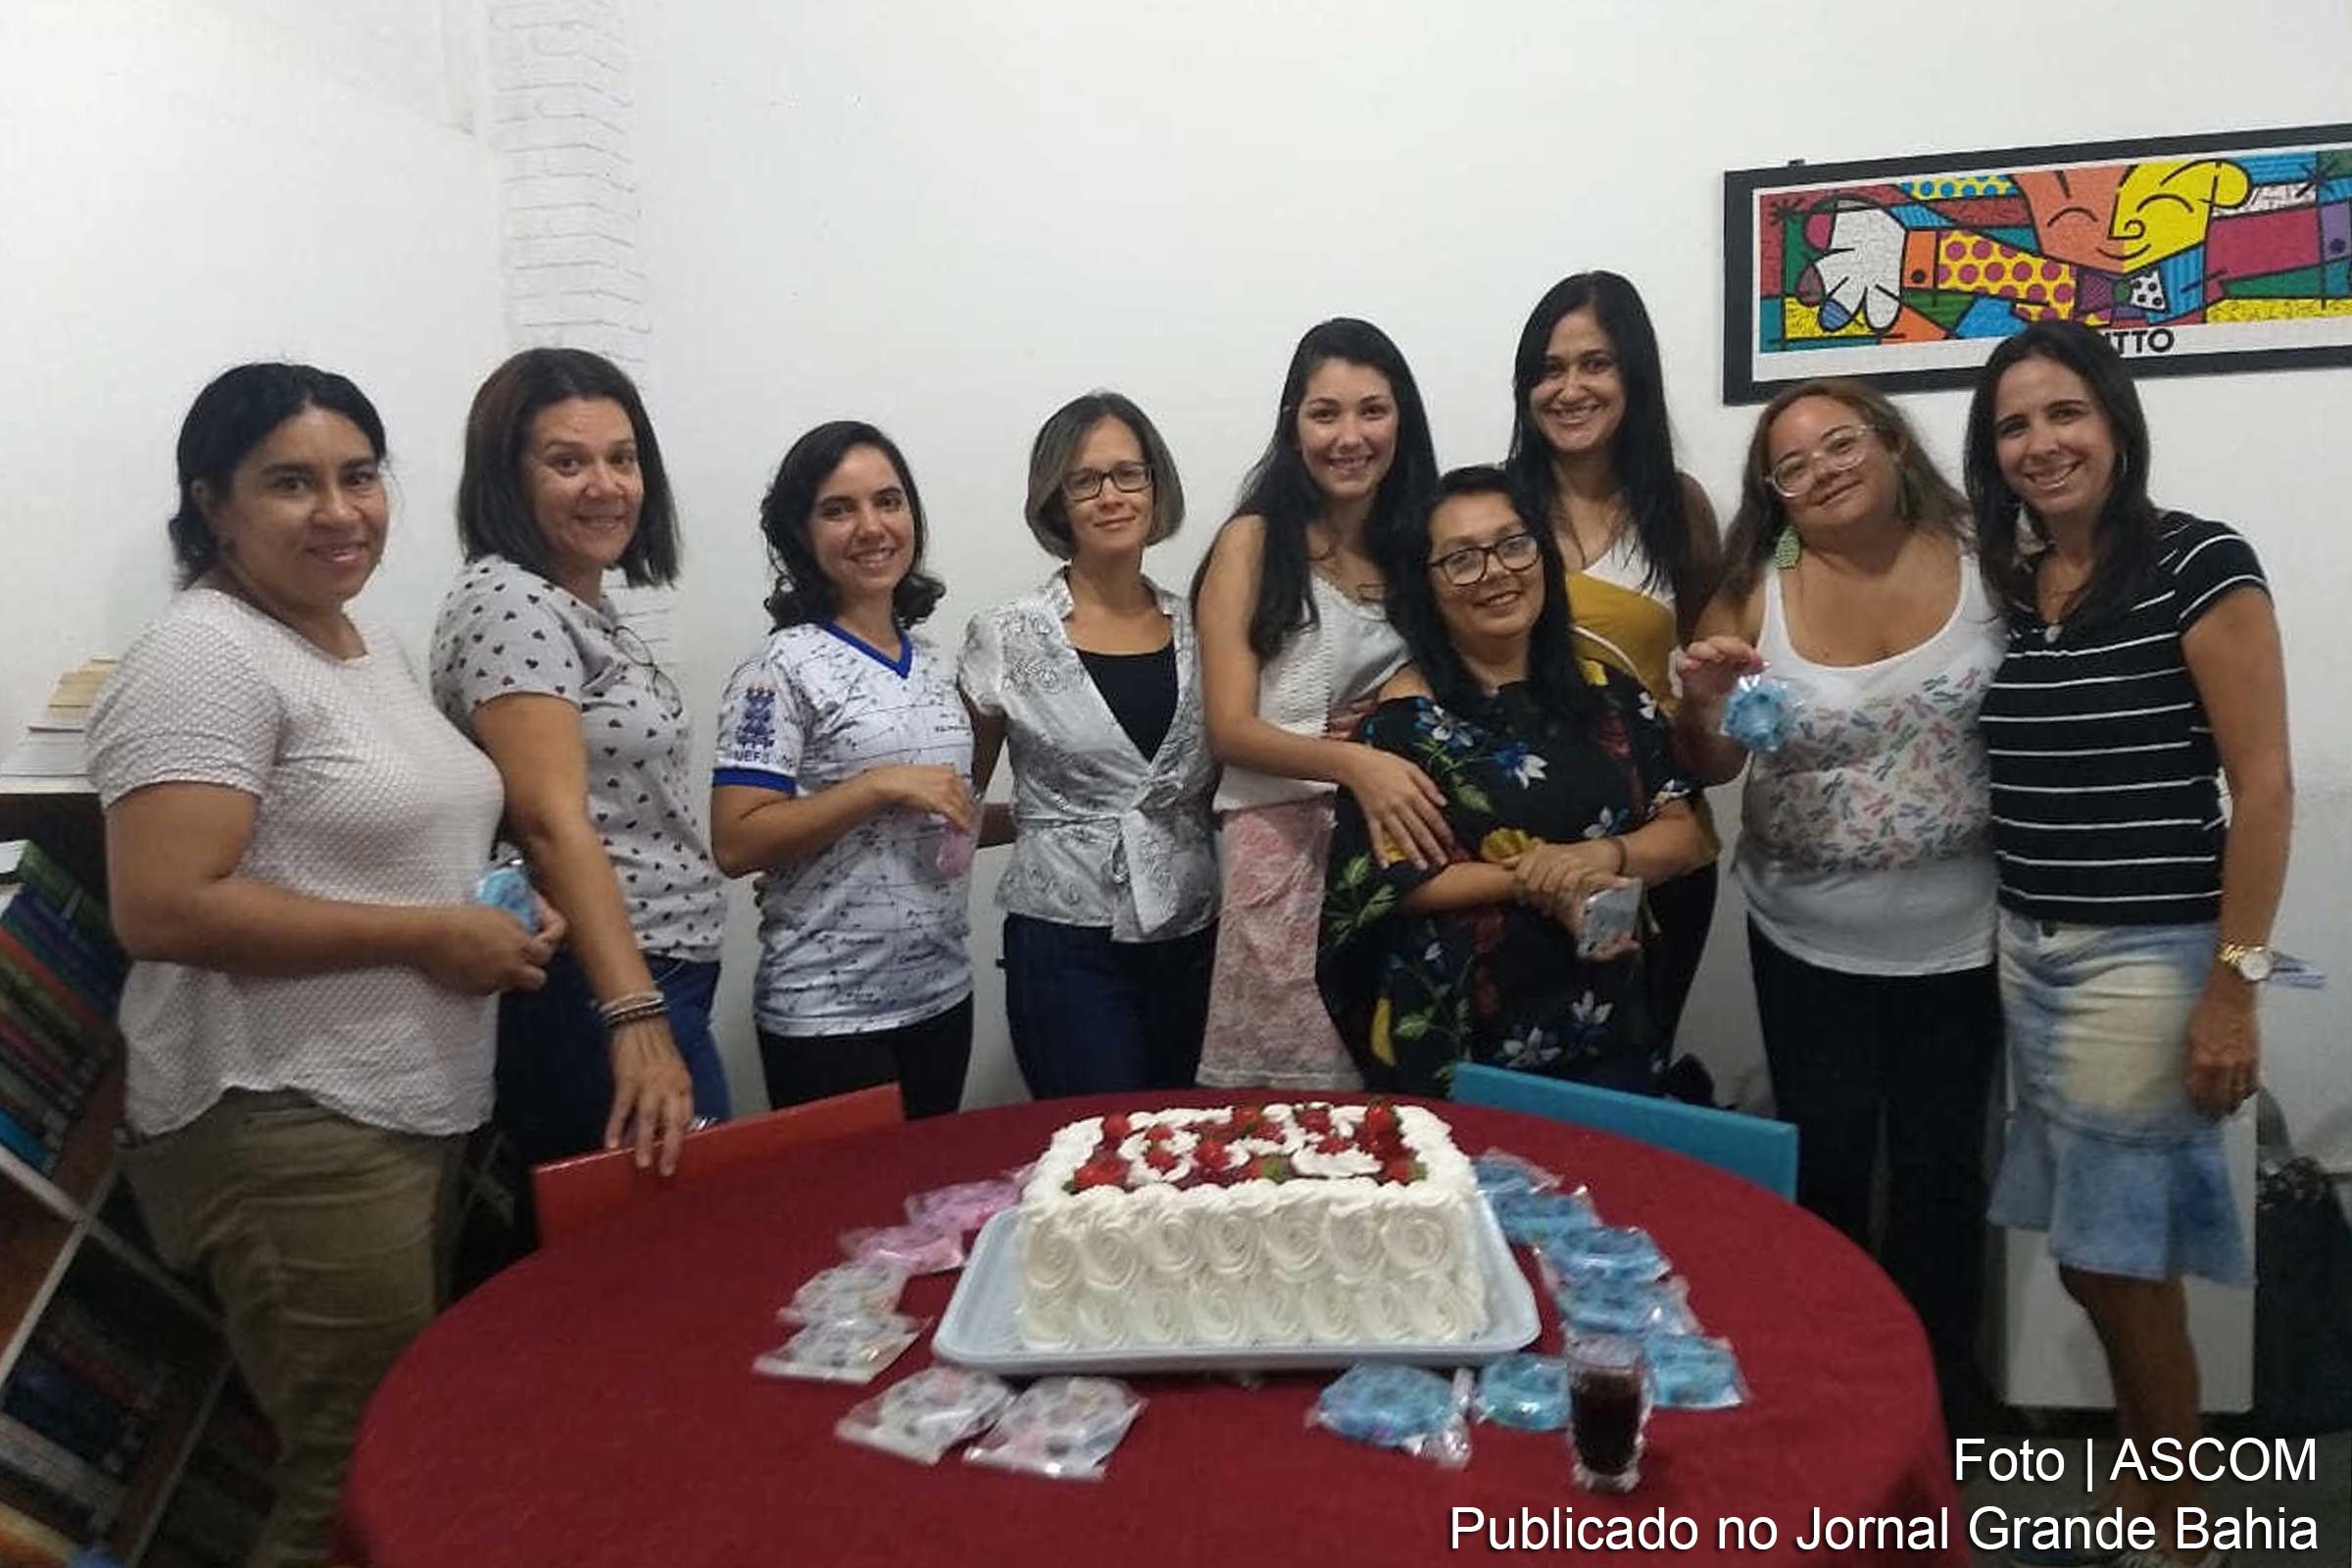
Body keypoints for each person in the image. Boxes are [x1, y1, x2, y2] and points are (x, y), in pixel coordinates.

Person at [87, 364, 562, 1568]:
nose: (340, 511)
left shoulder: (362, 645)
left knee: (401, 1444)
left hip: (399, 1106)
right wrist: (427, 936)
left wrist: (502, 911)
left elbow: (390, 843)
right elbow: (165, 904)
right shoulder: (204, 655)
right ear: (214, 505)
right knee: (350, 1475)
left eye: (359, 476)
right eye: (290, 484)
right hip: (286, 1114)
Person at [1968, 320, 2289, 1568]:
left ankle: (2171, 1513)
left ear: (2116, 420)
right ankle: (2158, 1483)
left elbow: (2262, 790)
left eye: (2065, 414)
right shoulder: (2010, 584)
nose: (2041, 444)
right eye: (2013, 426)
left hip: (2146, 956)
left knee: (2119, 1259)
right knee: (2096, 1256)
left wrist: (2234, 992)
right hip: (2030, 951)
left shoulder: (2199, 563)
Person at [1676, 377, 2005, 1418]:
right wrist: (1706, 704)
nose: (1823, 468)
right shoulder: (1750, 589)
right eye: (1793, 463)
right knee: (1826, 1161)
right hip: (1803, 937)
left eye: (1841, 441)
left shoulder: (1990, 561)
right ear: (1775, 494)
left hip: (1965, 939)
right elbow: (1715, 765)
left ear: (1894, 444)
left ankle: (1939, 1389)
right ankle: (1835, 1389)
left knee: (1944, 1173)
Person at [1319, 467, 1708, 1094]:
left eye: (1513, 544)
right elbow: (1399, 882)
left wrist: (1593, 857)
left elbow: (1682, 833)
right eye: (1461, 560)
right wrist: (1543, 879)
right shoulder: (1398, 725)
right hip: (1460, 1043)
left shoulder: (1613, 694)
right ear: (1427, 585)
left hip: (1608, 1014)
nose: (1496, 571)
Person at [432, 348, 718, 1195]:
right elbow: (552, 820)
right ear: (506, 479)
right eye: (568, 462)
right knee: (662, 1247)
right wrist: (633, 1015)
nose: (605, 485)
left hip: (647, 966)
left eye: (621, 458)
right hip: (598, 984)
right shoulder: (507, 599)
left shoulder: (582, 604)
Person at [1191, 318, 1444, 1091]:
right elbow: (1231, 730)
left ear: (1402, 419)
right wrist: (1357, 761)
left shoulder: (1419, 545)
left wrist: (1388, 715)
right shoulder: (1255, 542)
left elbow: (1451, 672)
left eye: (1373, 410)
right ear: (1292, 424)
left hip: (1396, 848)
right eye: (1324, 412)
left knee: (1390, 1102)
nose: (1350, 435)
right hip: (1278, 851)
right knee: (1288, 1105)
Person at [710, 422, 975, 1118]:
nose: (871, 527)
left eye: (888, 502)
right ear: (801, 533)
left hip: (943, 995)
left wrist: (1048, 819)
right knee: (848, 1223)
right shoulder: (779, 669)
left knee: (930, 1217)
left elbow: (932, 816)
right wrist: (878, 785)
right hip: (826, 1015)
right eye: (838, 509)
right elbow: (737, 840)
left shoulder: (939, 662)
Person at [960, 393, 1218, 1096]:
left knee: (1188, 1150)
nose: (1111, 496)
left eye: (1128, 475)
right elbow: (956, 804)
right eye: (1086, 480)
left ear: (1155, 486)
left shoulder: (1205, 627)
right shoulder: (1007, 636)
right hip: (1065, 939)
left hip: (1195, 934)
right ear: (1057, 500)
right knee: (1096, 1160)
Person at [1500, 270, 1723, 1052]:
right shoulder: (1494, 509)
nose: (1570, 389)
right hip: (1517, 853)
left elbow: (1700, 688)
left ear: (1633, 375)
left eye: (1595, 364)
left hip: (1654, 843)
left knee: (1636, 1068)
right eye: (1549, 370)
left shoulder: (1680, 506)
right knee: (1516, 1092)